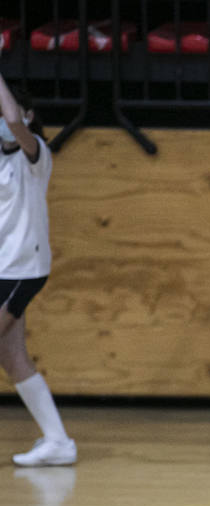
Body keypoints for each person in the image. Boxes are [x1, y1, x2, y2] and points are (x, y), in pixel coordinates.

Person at [1, 75, 76, 467]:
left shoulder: (36, 155)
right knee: (12, 358)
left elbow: (13, 121)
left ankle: (59, 441)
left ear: (29, 117)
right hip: (2, 269)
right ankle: (57, 441)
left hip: (23, 269)